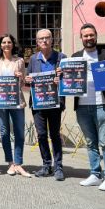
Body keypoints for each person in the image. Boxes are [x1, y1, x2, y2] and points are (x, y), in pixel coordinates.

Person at [70, 23, 105, 191]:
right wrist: (61, 76)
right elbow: (70, 80)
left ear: (96, 36)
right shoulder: (75, 56)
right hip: (82, 106)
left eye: (91, 35)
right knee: (91, 142)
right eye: (85, 36)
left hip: (102, 104)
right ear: (81, 38)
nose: (89, 38)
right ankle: (95, 174)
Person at [25, 29, 66, 181]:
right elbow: (27, 80)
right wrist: (27, 81)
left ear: (52, 39)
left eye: (47, 38)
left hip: (55, 103)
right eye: (41, 39)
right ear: (37, 42)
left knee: (54, 135)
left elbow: (68, 80)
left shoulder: (61, 58)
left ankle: (59, 167)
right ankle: (46, 165)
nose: (44, 41)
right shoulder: (33, 59)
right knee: (42, 135)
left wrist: (60, 81)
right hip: (38, 104)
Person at [0, 34, 30, 178]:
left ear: (13, 45)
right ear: (0, 45)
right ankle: (10, 162)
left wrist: (21, 76)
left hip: (16, 101)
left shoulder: (19, 61)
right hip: (1, 101)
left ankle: (18, 163)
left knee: (19, 132)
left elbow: (23, 83)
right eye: (4, 42)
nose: (6, 44)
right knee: (4, 132)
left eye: (9, 42)